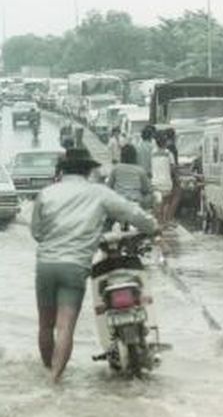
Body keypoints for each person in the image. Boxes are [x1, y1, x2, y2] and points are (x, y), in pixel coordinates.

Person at [30, 148, 157, 382]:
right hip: (75, 267)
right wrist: (153, 227)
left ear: (62, 170)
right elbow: (132, 213)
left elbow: (36, 232)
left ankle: (48, 374)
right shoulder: (99, 193)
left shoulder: (46, 193)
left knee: (45, 325)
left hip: (46, 265)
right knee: (65, 326)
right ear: (89, 171)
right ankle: (55, 379)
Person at [107, 144, 152, 209]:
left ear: (121, 156)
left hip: (119, 202)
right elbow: (146, 189)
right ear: (134, 156)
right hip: (135, 203)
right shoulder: (140, 171)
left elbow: (109, 187)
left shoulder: (116, 168)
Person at [151, 134, 176, 225]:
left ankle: (159, 221)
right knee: (165, 202)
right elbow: (173, 168)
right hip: (166, 182)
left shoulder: (152, 153)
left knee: (158, 204)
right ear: (165, 143)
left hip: (155, 182)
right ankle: (163, 221)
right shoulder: (169, 153)